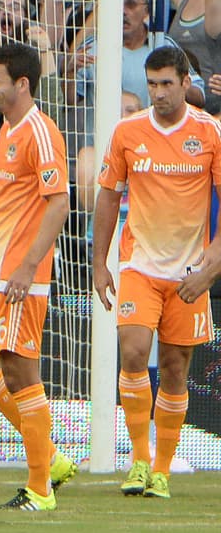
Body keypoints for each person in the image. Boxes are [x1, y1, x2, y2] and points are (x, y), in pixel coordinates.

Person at [92, 46, 221, 499]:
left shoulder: (210, 133)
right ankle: (140, 459)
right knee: (133, 352)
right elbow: (108, 196)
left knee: (174, 368)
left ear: (187, 82)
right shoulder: (128, 132)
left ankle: (162, 470)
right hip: (138, 264)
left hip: (190, 271)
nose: (159, 93)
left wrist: (213, 265)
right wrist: (100, 262)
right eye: (152, 84)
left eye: (167, 83)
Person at [0, 43, 77, 511]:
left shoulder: (40, 132)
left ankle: (41, 488)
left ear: (22, 84)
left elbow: (60, 202)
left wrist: (29, 267)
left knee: (19, 371)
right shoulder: (7, 129)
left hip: (19, 275)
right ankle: (50, 458)